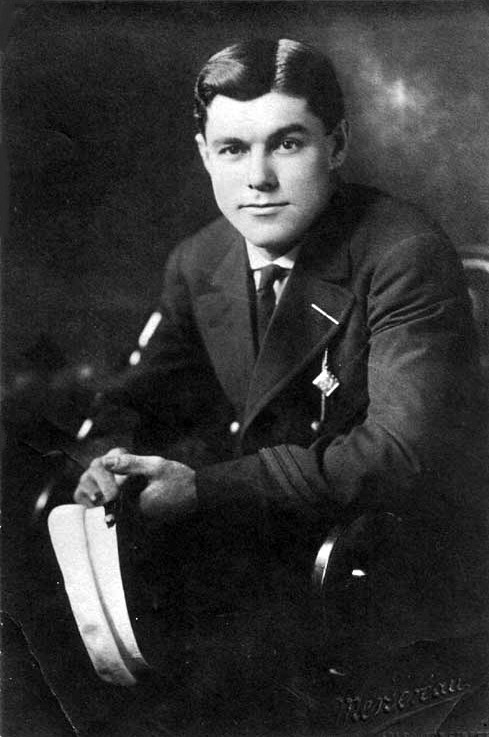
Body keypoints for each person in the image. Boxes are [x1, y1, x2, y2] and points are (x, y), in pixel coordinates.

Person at [52, 37, 487, 733]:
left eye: (287, 144)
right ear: (204, 154)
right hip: (258, 555)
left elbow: (398, 454)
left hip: (381, 569)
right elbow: (139, 395)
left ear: (336, 145)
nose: (257, 178)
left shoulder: (404, 253)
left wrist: (206, 489)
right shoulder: (199, 259)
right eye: (232, 149)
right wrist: (105, 456)